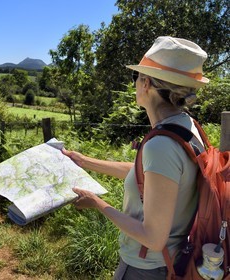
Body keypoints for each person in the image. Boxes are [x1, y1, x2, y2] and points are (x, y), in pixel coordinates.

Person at [62, 36, 209, 279]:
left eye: (136, 77)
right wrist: (84, 161)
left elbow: (153, 238)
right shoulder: (188, 127)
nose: (135, 84)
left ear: (146, 83)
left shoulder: (161, 145)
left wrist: (98, 203)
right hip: (177, 259)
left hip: (148, 269)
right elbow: (150, 174)